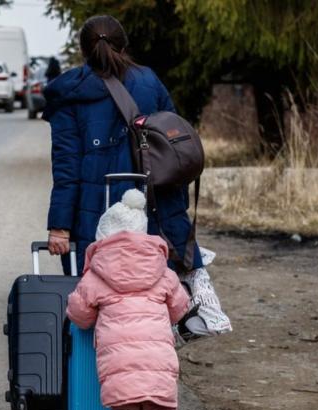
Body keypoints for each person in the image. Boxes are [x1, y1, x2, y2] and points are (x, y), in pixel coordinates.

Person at [43, 15, 203, 276]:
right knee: (157, 290)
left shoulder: (69, 94)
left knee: (98, 292)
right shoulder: (149, 81)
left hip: (94, 215)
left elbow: (66, 168)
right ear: (124, 46)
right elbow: (175, 149)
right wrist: (177, 206)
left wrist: (59, 227)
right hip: (153, 206)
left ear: (84, 50)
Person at [67, 189, 188, 410]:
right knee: (162, 405)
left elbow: (80, 316)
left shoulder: (96, 275)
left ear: (103, 238)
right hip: (157, 357)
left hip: (118, 362)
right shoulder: (163, 272)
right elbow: (179, 308)